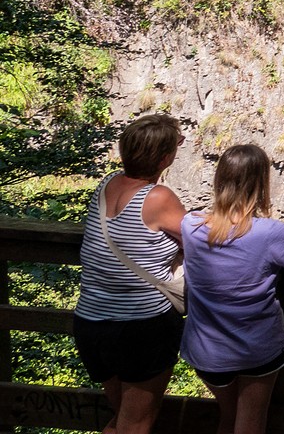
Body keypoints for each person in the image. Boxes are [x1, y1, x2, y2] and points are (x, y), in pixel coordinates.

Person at [181, 144, 284, 434]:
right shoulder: (269, 233)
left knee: (227, 419)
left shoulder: (190, 225)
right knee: (250, 424)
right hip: (257, 349)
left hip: (207, 351)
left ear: (219, 180)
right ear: (261, 184)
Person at [75, 113, 187, 434]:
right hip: (140, 329)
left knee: (123, 417)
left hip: (91, 324)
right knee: (136, 424)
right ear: (166, 158)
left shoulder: (106, 185)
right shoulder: (158, 198)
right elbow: (200, 238)